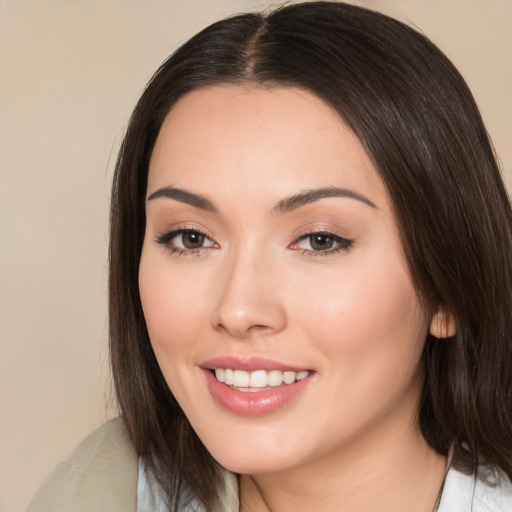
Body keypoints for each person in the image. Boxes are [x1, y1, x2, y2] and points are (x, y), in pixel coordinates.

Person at [27, 2, 512, 511]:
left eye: (320, 240)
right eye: (191, 238)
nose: (237, 310)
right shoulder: (90, 493)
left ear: (449, 290)